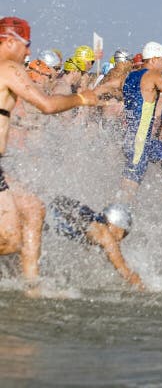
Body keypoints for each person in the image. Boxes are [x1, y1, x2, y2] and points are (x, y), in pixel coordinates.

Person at [0, 16, 98, 287]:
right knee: (10, 241)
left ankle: (32, 285)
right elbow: (47, 105)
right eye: (26, 44)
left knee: (33, 209)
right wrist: (81, 99)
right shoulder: (9, 67)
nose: (28, 52)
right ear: (9, 41)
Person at [121, 41, 162, 193]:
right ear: (154, 59)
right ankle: (115, 213)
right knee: (129, 187)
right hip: (140, 143)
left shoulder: (130, 76)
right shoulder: (153, 75)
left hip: (133, 138)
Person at [47, 196, 142, 288]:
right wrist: (146, 290)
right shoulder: (103, 233)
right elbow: (125, 271)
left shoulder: (92, 220)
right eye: (123, 233)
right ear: (117, 227)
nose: (120, 239)